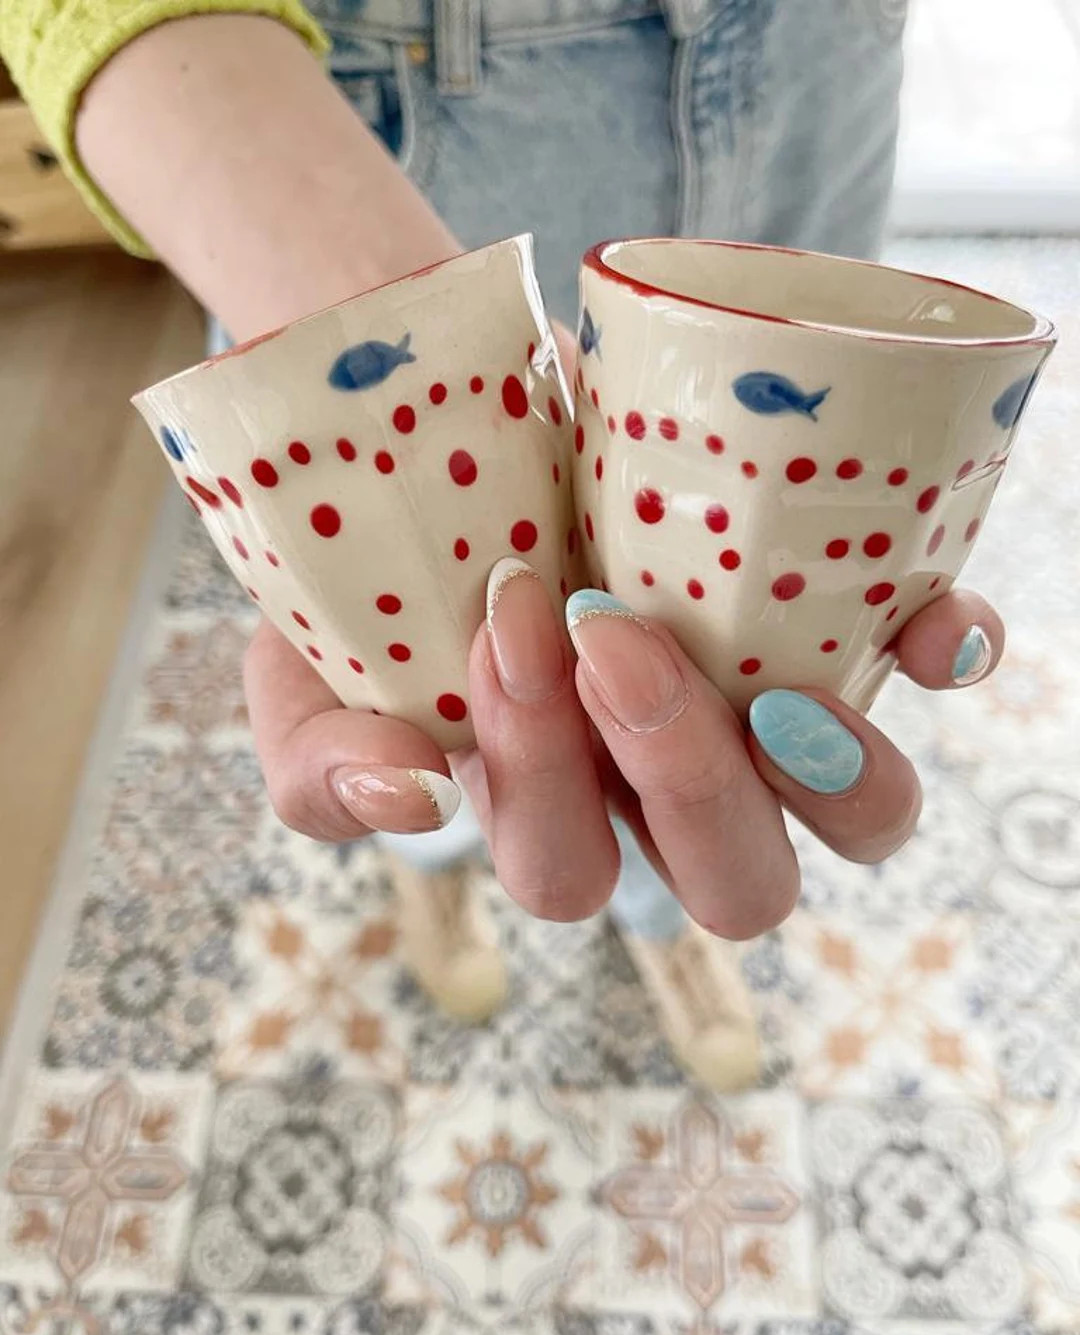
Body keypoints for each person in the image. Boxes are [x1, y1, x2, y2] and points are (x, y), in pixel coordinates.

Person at [1, 0, 1003, 1085]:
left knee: (701, 703)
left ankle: (661, 919)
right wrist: (384, 359)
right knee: (450, 683)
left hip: (816, 54)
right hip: (415, 76)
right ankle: (431, 846)